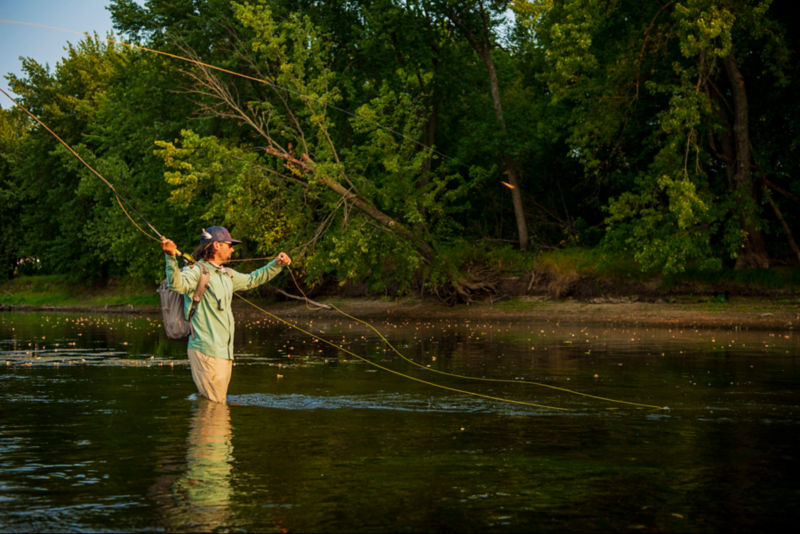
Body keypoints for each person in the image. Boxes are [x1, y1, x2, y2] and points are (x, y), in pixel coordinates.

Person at [160, 226, 291, 403]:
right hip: (206, 351)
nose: (232, 249)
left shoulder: (227, 274)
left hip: (224, 353)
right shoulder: (196, 272)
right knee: (215, 406)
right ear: (216, 245)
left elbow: (253, 279)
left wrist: (276, 265)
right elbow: (177, 285)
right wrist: (170, 257)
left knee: (215, 405)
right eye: (229, 245)